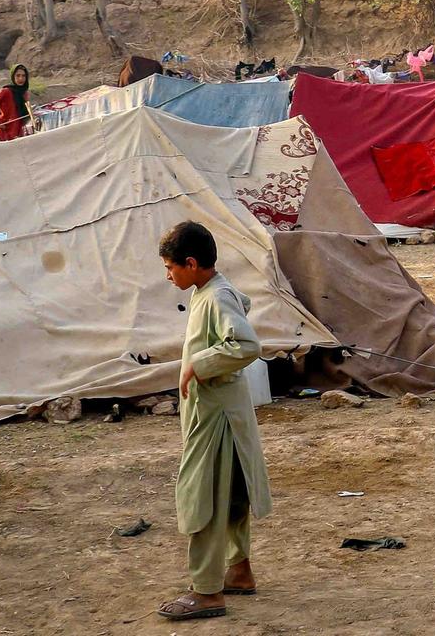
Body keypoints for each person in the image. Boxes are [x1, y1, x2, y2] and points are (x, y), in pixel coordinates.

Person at [157, 221, 268, 622]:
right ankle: (239, 570)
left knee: (202, 498)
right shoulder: (214, 291)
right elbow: (242, 306)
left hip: (216, 418)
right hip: (225, 413)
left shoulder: (216, 296)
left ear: (191, 263)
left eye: (170, 267)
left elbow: (246, 343)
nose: (168, 275)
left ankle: (206, 591)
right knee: (234, 494)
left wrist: (199, 365)